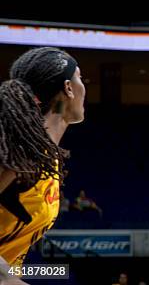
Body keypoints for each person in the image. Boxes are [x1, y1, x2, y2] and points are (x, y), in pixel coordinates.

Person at [0, 47, 85, 284]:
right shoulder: (18, 150)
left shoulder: (45, 154)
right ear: (68, 88)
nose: (84, 87)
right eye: (80, 78)